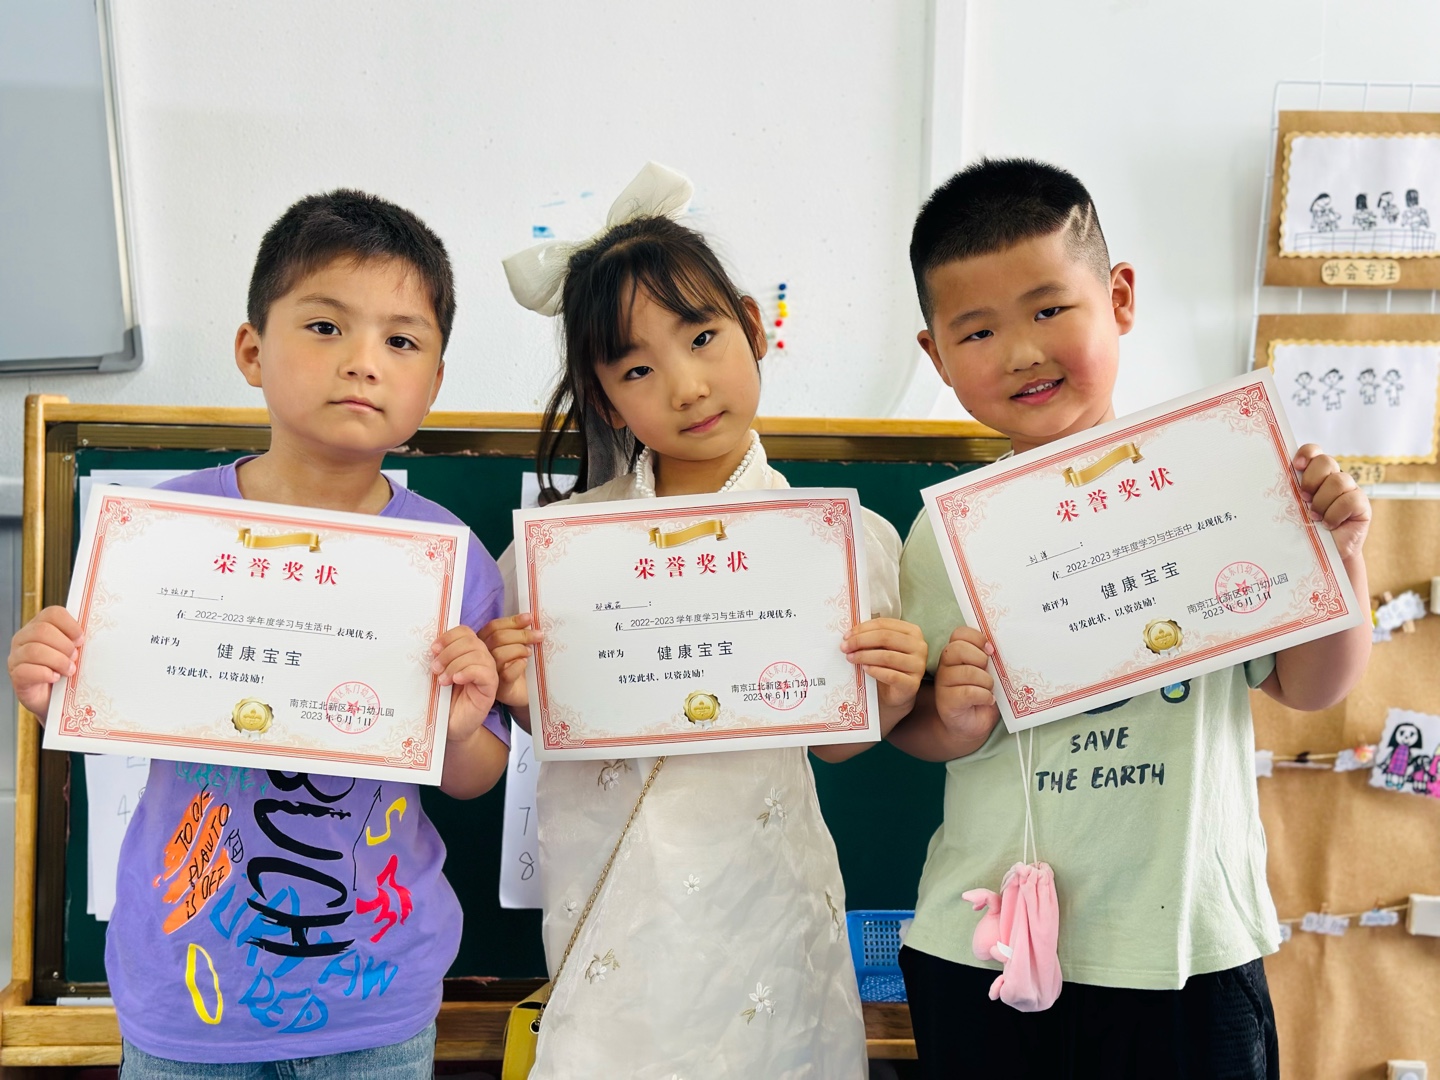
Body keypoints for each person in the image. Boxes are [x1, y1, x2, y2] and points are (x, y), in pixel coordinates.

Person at [889, 158, 1373, 1079]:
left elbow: (1313, 687)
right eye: (978, 330)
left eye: (1048, 309)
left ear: (1118, 298)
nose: (1021, 351)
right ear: (937, 357)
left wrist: (1339, 556)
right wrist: (950, 719)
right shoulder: (944, 532)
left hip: (1183, 944)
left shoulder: (1221, 479)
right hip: (987, 943)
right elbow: (911, 727)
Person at [7, 190, 509, 1077]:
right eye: (325, 326)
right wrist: (55, 690)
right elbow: (105, 711)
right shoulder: (164, 531)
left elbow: (474, 778)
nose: (363, 362)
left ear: (433, 383)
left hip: (375, 1001)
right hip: (187, 993)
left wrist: (462, 726)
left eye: (401, 341)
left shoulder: (451, 557)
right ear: (251, 350)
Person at [483, 163, 929, 1079]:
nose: (686, 386)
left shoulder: (843, 541)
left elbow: (838, 744)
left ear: (753, 329)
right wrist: (521, 696)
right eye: (638, 369)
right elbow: (538, 723)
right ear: (605, 399)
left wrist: (887, 693)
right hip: (618, 920)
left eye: (702, 337)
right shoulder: (553, 555)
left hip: (768, 910)